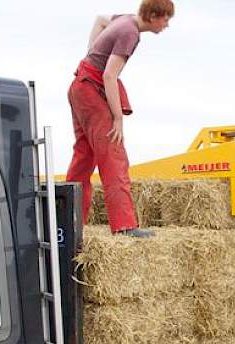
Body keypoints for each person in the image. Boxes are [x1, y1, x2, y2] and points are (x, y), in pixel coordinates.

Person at [65, 0, 174, 238]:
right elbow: (109, 75)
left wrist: (90, 54)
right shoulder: (130, 33)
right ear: (154, 15)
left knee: (84, 157)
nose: (167, 25)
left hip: (79, 86)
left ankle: (66, 222)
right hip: (91, 89)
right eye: (166, 18)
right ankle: (124, 226)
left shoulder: (124, 19)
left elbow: (100, 20)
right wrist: (117, 119)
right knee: (113, 153)